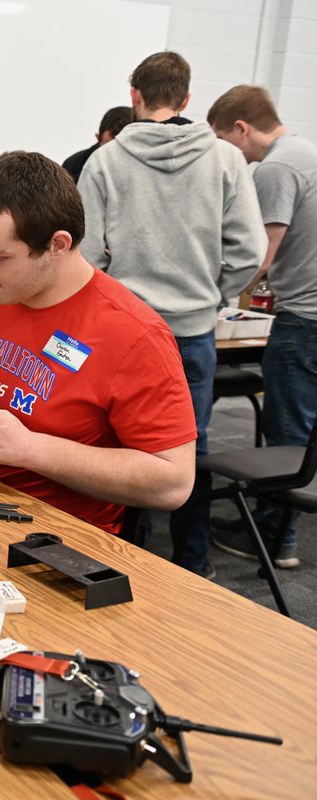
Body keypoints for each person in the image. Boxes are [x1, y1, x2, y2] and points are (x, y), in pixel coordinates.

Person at [0, 151, 196, 536]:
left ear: (58, 245)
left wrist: (31, 449)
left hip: (52, 538)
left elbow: (173, 482)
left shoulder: (136, 335)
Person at [78, 52, 266, 577]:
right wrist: (211, 295)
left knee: (116, 448)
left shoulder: (105, 162)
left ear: (134, 94)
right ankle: (191, 567)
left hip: (121, 335)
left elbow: (86, 256)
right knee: (192, 453)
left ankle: (120, 563)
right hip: (192, 333)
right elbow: (250, 252)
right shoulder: (226, 160)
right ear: (186, 100)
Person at [207, 85, 317, 569]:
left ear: (242, 129)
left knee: (287, 431)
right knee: (300, 428)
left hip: (303, 319)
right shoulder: (306, 152)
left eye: (222, 140)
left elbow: (259, 255)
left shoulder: (274, 168)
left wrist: (214, 299)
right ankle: (267, 521)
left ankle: (275, 540)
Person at [61, 106, 133, 183]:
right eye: (108, 149)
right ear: (98, 137)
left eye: (122, 149)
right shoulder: (73, 166)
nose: (116, 156)